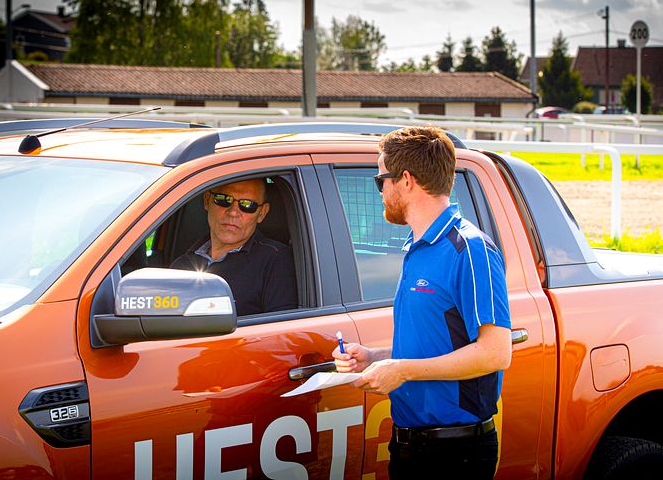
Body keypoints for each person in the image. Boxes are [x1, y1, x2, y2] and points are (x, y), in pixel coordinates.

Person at [332, 126, 512, 479]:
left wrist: (402, 371)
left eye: (381, 180)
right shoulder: (416, 248)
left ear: (407, 180)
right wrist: (375, 357)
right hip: (410, 445)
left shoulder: (470, 249)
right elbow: (436, 343)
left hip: (455, 452)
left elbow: (495, 353)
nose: (380, 191)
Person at [171, 178, 297, 316]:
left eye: (248, 205)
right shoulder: (182, 264)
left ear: (262, 213)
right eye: (223, 199)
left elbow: (282, 331)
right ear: (207, 200)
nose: (233, 212)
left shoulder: (276, 261)